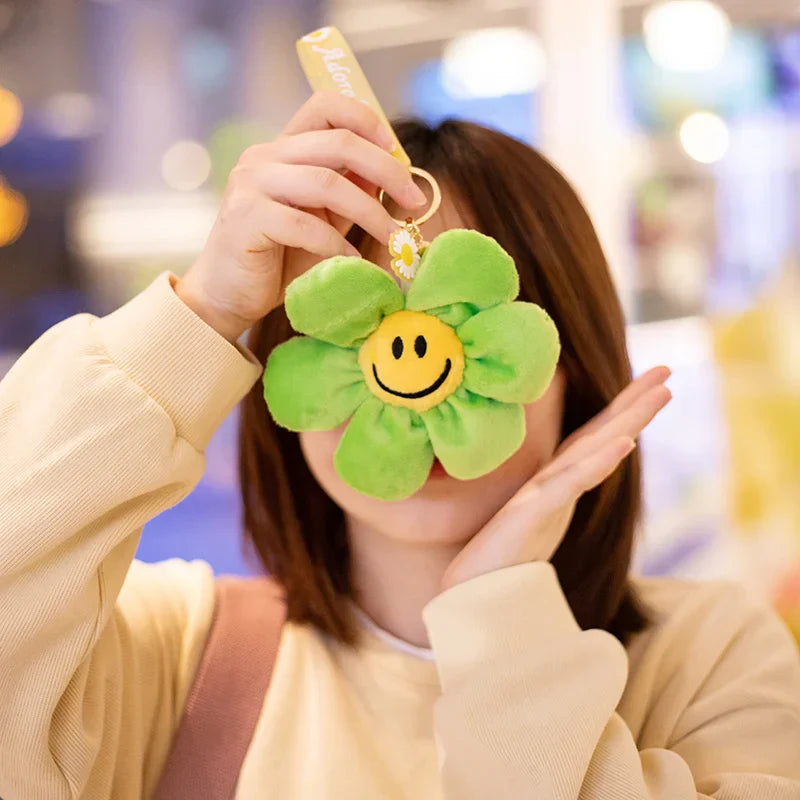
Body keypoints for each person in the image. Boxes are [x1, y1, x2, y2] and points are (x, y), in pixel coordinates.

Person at [1, 91, 798, 800]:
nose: (414, 373)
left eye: (469, 324)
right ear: (289, 377)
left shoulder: (711, 658)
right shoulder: (171, 651)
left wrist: (498, 614)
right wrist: (202, 311)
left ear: (573, 367)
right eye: (355, 325)